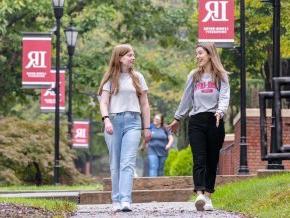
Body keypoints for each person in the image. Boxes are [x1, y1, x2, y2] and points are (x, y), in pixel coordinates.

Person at [168, 42, 230, 211]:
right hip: (196, 121)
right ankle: (200, 194)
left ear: (210, 54)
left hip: (215, 120)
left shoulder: (221, 76)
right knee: (199, 158)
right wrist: (177, 118)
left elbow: (224, 96)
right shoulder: (194, 76)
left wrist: (220, 112)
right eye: (197, 54)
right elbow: (186, 98)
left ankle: (208, 196)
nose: (198, 57)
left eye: (200, 53)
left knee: (212, 159)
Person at [98, 44, 151, 212]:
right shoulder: (109, 79)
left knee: (128, 162)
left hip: (134, 122)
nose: (132, 58)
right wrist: (106, 120)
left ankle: (126, 200)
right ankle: (116, 200)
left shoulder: (138, 77)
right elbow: (104, 103)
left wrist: (147, 127)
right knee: (115, 163)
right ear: (120, 57)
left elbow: (145, 104)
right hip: (113, 121)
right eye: (129, 55)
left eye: (133, 55)